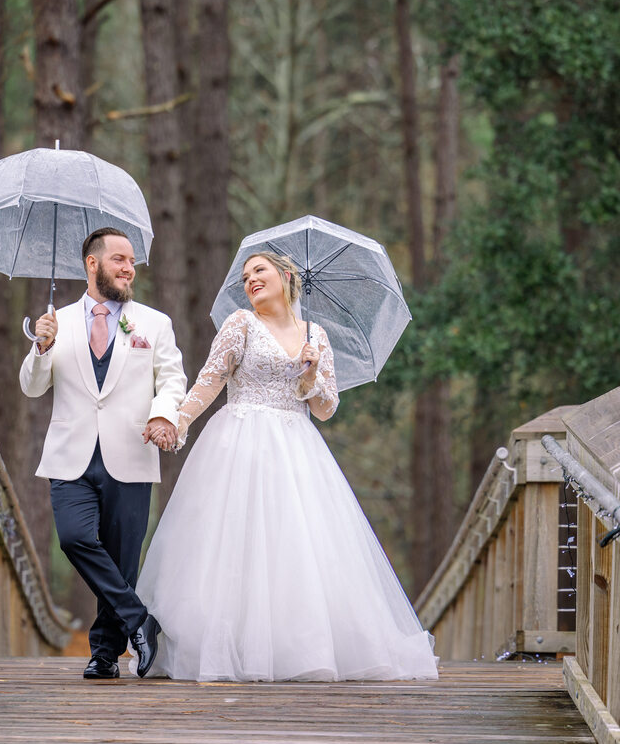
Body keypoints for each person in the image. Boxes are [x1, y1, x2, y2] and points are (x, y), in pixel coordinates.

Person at [135, 251, 439, 682]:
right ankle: (229, 646)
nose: (250, 280)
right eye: (245, 276)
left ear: (286, 276)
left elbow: (326, 408)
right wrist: (177, 420)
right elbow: (210, 381)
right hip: (239, 441)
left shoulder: (317, 336)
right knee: (235, 544)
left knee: (293, 544)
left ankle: (292, 647)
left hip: (296, 447)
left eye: (259, 271)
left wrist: (312, 374)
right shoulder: (240, 323)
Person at [20, 227, 186, 679]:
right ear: (92, 264)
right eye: (119, 259)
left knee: (121, 558)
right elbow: (33, 388)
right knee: (75, 538)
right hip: (69, 456)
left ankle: (105, 654)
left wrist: (163, 413)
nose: (129, 268)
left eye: (131, 261)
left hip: (131, 452)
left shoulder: (154, 323)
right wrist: (41, 347)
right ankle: (139, 620)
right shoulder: (57, 322)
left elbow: (173, 379)